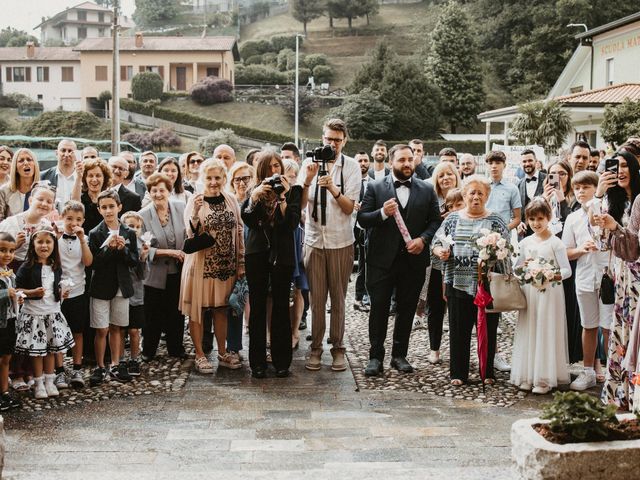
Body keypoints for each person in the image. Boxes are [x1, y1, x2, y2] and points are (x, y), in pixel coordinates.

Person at [358, 144, 440, 376]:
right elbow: (363, 219)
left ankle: (399, 355)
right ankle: (375, 357)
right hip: (381, 260)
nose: (407, 164)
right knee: (379, 309)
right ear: (391, 162)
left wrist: (423, 240)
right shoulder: (374, 187)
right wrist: (382, 212)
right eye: (402, 160)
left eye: (410, 160)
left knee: (406, 309)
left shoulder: (426, 189)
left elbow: (435, 221)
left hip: (413, 260)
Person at [432, 175, 510, 386]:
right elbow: (436, 243)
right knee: (458, 329)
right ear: (464, 195)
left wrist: (497, 257)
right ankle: (458, 372)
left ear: (487, 196)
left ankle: (487, 372)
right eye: (472, 193)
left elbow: (507, 249)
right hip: (457, 281)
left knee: (488, 329)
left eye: (480, 193)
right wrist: (441, 251)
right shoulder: (452, 219)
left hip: (486, 284)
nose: (476, 197)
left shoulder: (496, 220)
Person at [299, 118, 360, 372]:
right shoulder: (309, 162)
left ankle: (338, 347)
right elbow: (300, 206)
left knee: (338, 298)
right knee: (316, 299)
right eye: (328, 139)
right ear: (321, 138)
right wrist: (306, 182)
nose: (332, 144)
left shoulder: (352, 167)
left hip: (340, 241)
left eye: (337, 140)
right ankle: (315, 348)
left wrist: (333, 188)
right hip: (314, 241)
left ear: (344, 140)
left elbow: (349, 208)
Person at [180, 159, 244, 373]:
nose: (214, 182)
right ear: (202, 178)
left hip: (226, 266)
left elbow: (240, 230)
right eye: (209, 178)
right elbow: (191, 234)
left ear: (224, 178)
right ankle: (199, 354)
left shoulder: (231, 199)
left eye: (218, 177)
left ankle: (223, 352)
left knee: (221, 310)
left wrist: (241, 261)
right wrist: (197, 213)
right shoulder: (195, 200)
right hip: (201, 265)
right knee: (197, 311)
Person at [242, 151, 302, 378]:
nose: (273, 172)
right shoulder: (253, 191)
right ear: (261, 171)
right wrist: (256, 196)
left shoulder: (293, 191)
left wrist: (284, 197)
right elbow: (248, 219)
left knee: (280, 307)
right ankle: (257, 362)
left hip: (283, 254)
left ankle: (282, 361)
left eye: (277, 166)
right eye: (269, 168)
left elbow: (292, 224)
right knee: (257, 306)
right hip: (257, 252)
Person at [592, 149, 640, 410]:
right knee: (620, 335)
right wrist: (599, 195)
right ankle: (618, 393)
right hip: (621, 279)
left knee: (635, 336)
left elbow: (635, 247)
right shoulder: (614, 200)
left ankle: (635, 393)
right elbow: (599, 241)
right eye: (615, 166)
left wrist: (615, 227)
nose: (620, 171)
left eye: (624, 165)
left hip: (637, 278)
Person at [510, 198, 571, 394]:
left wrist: (551, 273)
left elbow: (567, 270)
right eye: (532, 219)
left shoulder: (556, 243)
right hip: (530, 292)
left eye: (540, 219)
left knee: (545, 330)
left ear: (548, 218)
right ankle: (528, 375)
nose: (536, 223)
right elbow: (516, 269)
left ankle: (544, 378)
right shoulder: (525, 242)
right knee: (530, 329)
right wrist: (524, 267)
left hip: (549, 292)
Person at [562, 171, 612, 390]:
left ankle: (613, 371)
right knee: (588, 324)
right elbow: (565, 251)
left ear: (596, 187)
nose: (580, 191)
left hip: (607, 275)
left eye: (585, 187)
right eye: (577, 188)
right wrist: (580, 249)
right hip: (584, 276)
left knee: (609, 325)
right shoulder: (573, 218)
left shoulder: (606, 210)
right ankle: (588, 371)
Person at [15, 227, 74, 399]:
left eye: (48, 242)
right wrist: (32, 293)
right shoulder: (26, 267)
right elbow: (17, 289)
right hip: (33, 316)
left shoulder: (55, 266)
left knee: (50, 350)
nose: (44, 245)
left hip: (51, 314)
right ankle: (39, 383)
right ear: (32, 245)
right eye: (40, 242)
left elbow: (55, 290)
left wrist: (62, 292)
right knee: (37, 352)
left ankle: (50, 381)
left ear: (54, 245)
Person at [87, 190, 139, 386]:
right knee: (101, 329)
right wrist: (109, 249)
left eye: (111, 206)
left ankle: (116, 364)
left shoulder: (129, 233)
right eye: (104, 207)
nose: (108, 211)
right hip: (101, 286)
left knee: (117, 327)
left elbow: (133, 261)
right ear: (99, 210)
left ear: (119, 207)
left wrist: (123, 249)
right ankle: (100, 366)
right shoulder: (95, 233)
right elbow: (94, 263)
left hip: (121, 286)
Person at [413, 162, 461, 364]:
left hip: (461, 261)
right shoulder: (431, 200)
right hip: (437, 259)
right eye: (441, 175)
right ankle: (434, 348)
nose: (446, 178)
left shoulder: (464, 196)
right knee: (436, 304)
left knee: (459, 306)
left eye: (449, 174)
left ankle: (461, 350)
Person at [138, 173, 186, 361]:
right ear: (149, 193)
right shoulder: (142, 216)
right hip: (154, 274)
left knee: (176, 312)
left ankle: (176, 348)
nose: (158, 194)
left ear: (169, 190)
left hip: (178, 271)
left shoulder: (181, 208)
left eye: (162, 190)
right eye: (154, 190)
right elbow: (143, 250)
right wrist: (169, 253)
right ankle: (148, 349)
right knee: (152, 314)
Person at [56, 201, 93, 389]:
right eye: (69, 218)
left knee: (78, 331)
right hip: (59, 295)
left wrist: (82, 240)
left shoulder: (83, 239)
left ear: (83, 221)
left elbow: (87, 262)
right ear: (62, 218)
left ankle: (77, 368)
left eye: (78, 219)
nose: (73, 222)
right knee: (59, 333)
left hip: (79, 291)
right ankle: (60, 370)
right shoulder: (55, 239)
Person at [120, 211, 150, 375]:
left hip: (136, 295)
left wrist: (143, 258)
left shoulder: (141, 246)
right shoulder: (120, 243)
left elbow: (144, 275)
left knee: (133, 330)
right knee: (120, 330)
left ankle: (134, 358)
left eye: (138, 227)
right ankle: (120, 360)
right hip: (120, 293)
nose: (135, 229)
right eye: (131, 226)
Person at [0, 182, 57, 265]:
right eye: (40, 199)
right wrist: (14, 246)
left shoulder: (48, 226)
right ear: (30, 200)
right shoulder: (11, 224)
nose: (44, 204)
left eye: (49, 202)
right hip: (13, 268)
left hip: (37, 269)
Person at [283, 159, 308, 349]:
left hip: (297, 240)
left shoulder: (299, 191)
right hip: (282, 241)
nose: (290, 178)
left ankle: (294, 331)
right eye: (288, 174)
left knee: (299, 288)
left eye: (293, 175)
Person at [0, 232, 22, 410]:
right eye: (2, 250)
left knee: (7, 357)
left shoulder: (10, 274)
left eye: (11, 251)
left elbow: (13, 294)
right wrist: (5, 293)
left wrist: (17, 299)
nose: (7, 255)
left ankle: (4, 392)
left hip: (10, 321)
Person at [39, 139, 83, 207]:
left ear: (76, 154)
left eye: (70, 151)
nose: (66, 154)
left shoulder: (82, 177)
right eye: (63, 150)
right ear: (56, 153)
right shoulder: (43, 176)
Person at [0, 148, 41, 221]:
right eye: (21, 160)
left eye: (29, 159)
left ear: (35, 164)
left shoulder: (44, 191)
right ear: (15, 167)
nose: (26, 163)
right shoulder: (4, 191)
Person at [486, 150, 522, 231]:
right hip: (482, 234)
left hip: (503, 238)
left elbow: (517, 218)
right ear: (486, 165)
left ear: (504, 165)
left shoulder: (512, 188)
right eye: (490, 163)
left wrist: (504, 230)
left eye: (498, 163)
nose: (494, 166)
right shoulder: (481, 187)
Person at [353, 151, 371, 312]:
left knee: (366, 263)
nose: (363, 163)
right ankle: (358, 297)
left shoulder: (374, 183)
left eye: (365, 160)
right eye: (359, 160)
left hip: (368, 228)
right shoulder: (351, 182)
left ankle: (364, 297)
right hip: (352, 226)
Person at [517, 149, 546, 239]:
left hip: (544, 231)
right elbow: (515, 209)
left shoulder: (547, 179)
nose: (527, 164)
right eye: (524, 161)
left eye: (530, 160)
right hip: (524, 235)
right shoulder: (518, 184)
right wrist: (518, 223)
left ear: (536, 162)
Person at [80, 158, 112, 234]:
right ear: (85, 178)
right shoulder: (80, 198)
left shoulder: (110, 198)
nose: (94, 179)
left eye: (98, 176)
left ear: (104, 178)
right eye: (90, 176)